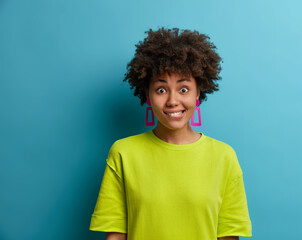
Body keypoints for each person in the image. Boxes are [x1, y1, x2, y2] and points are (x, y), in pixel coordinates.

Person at [89, 27, 252, 240]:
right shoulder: (123, 153)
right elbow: (116, 236)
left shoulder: (224, 157)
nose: (173, 101)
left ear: (198, 93)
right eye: (161, 89)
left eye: (183, 89)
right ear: (147, 94)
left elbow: (228, 236)